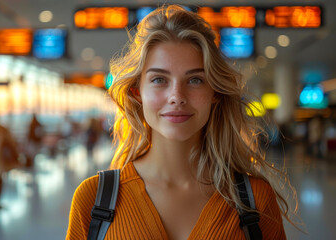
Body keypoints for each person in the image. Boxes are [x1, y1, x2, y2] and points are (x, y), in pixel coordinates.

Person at [66, 5, 299, 240]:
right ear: (137, 92)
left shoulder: (255, 199)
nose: (177, 96)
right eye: (159, 79)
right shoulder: (93, 199)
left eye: (195, 80)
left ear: (215, 92)